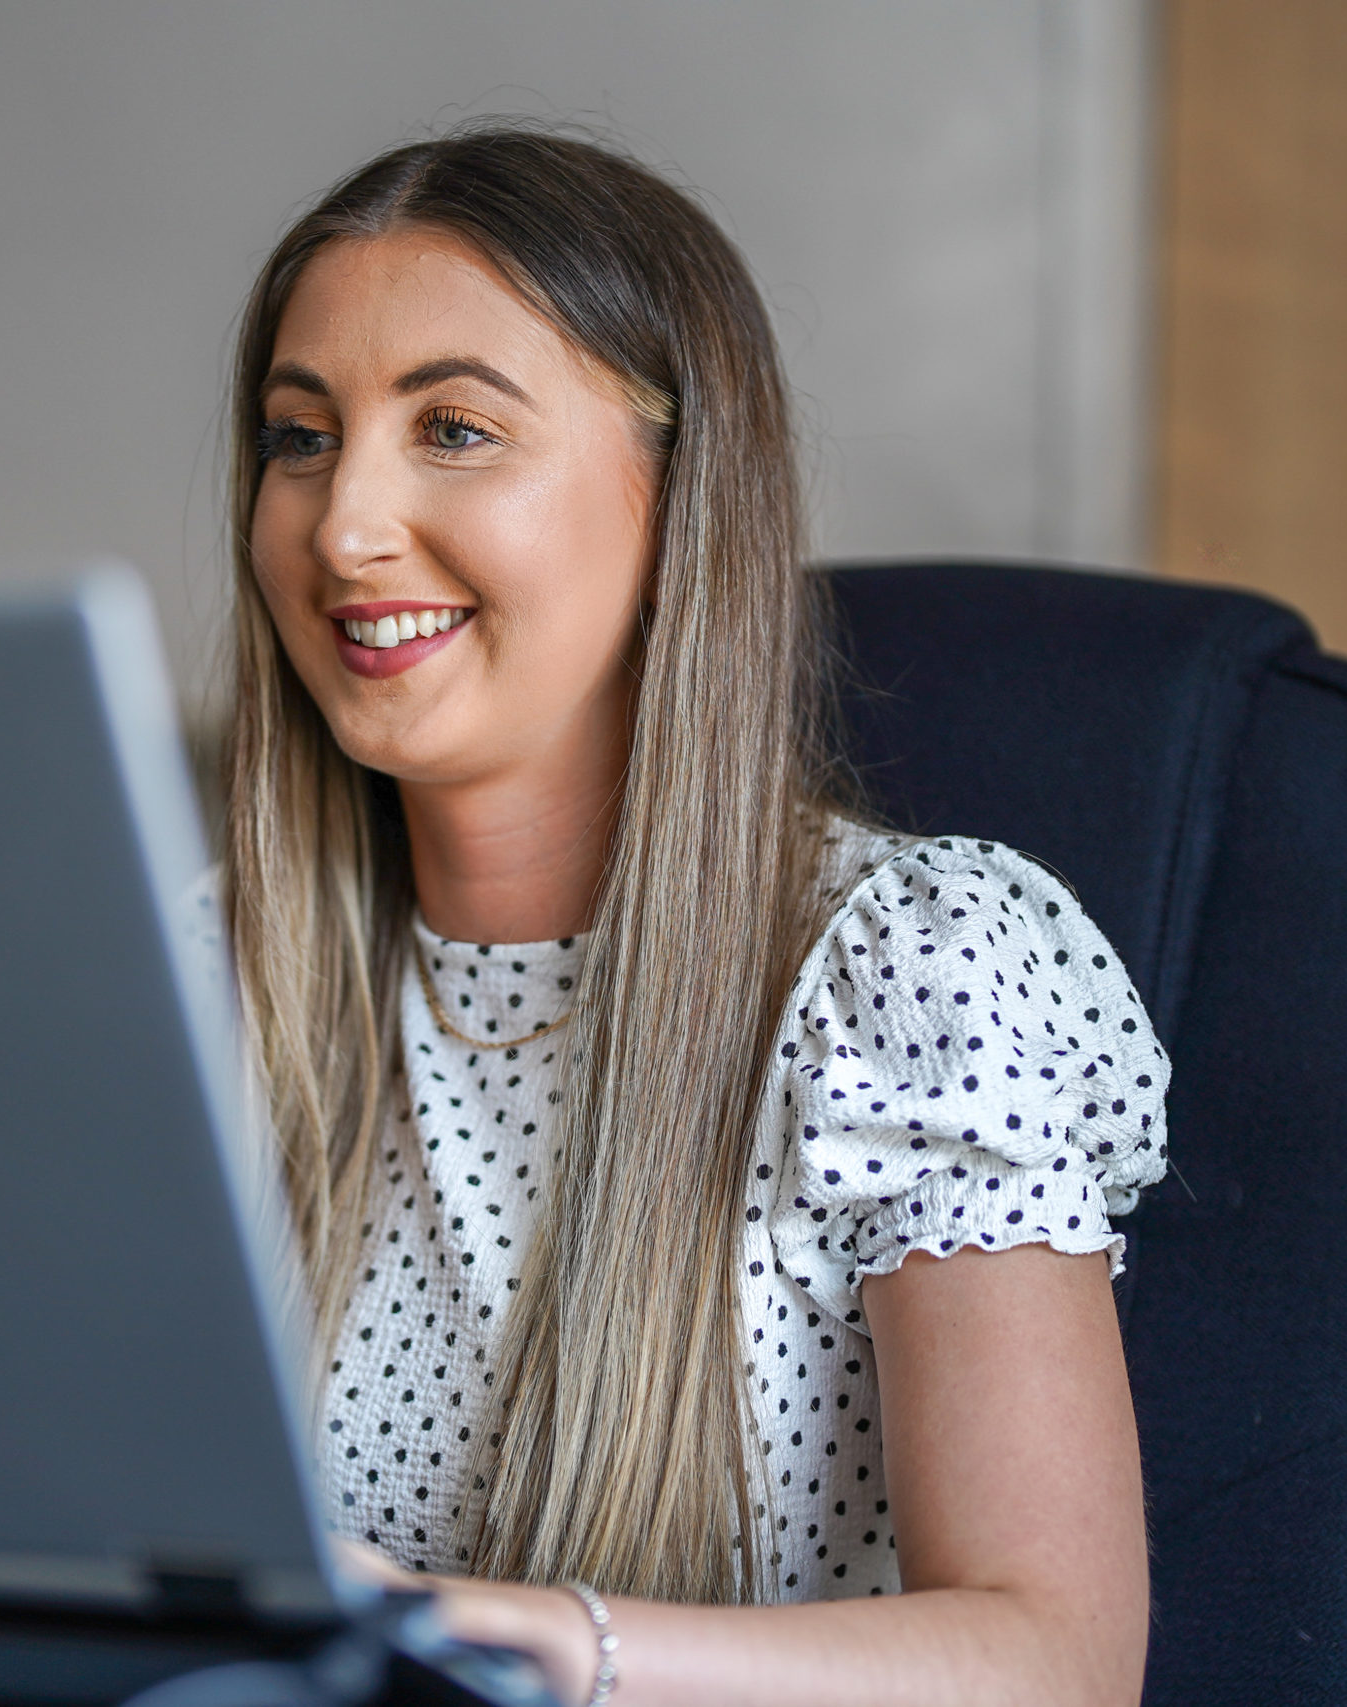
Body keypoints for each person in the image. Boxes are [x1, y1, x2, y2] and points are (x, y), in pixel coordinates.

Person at [212, 125, 1166, 1707]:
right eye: (298, 438)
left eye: (451, 427)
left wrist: (542, 1649)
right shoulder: (206, 966)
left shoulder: (912, 966)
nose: (343, 525)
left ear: (680, 495)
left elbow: (1054, 1660)